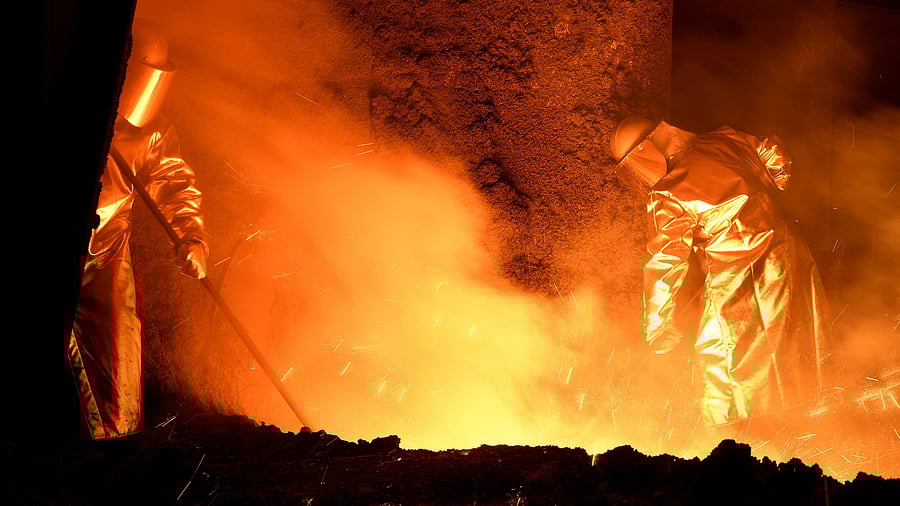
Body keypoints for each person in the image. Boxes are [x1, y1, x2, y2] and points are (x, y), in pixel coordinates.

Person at [609, 117, 831, 430]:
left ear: (647, 149)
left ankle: (737, 437)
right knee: (795, 338)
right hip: (788, 252)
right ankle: (810, 420)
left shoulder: (669, 193)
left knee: (720, 352)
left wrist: (657, 326)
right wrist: (776, 186)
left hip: (737, 275)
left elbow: (664, 260)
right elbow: (772, 151)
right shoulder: (727, 139)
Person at [68, 20, 208, 440]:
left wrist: (193, 236)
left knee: (116, 360)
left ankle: (116, 448)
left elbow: (174, 181)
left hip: (107, 253)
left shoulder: (151, 131)